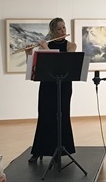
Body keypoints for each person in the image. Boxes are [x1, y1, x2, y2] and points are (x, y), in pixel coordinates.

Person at [25, 17, 77, 163]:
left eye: (64, 28)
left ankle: (59, 151)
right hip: (47, 85)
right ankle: (38, 151)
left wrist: (46, 50)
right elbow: (33, 68)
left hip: (63, 86)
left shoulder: (71, 45)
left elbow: (64, 62)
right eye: (59, 29)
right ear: (53, 31)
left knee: (61, 116)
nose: (63, 31)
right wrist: (29, 53)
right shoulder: (45, 45)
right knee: (44, 116)